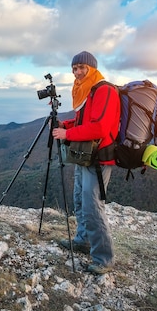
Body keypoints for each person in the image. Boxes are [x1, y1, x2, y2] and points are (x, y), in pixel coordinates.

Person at [52, 50, 120, 275]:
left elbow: (99, 127)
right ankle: (82, 239)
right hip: (85, 155)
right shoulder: (86, 92)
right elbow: (84, 120)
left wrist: (67, 135)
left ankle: (103, 258)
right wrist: (68, 126)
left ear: (92, 67)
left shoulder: (104, 90)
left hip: (99, 158)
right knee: (80, 201)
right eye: (74, 68)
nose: (78, 72)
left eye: (82, 67)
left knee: (92, 206)